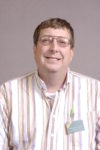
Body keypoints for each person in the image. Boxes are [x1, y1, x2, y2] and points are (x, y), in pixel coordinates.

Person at [0, 18, 100, 150]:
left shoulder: (96, 91)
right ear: (35, 49)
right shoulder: (8, 93)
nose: (54, 48)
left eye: (62, 42)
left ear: (71, 52)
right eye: (46, 41)